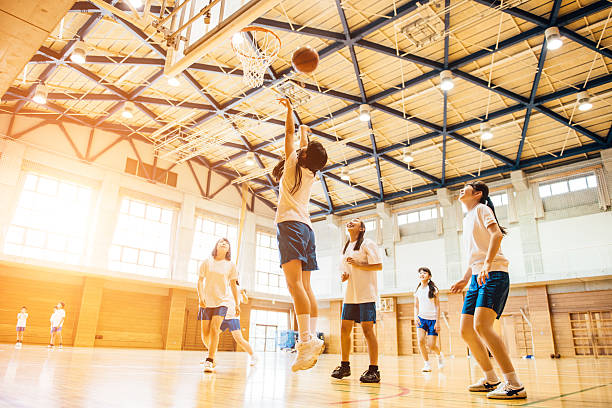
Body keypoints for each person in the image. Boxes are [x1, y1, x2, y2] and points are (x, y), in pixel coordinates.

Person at [451, 181, 526, 399]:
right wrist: (466, 279)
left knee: (482, 326)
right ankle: (491, 379)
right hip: (476, 277)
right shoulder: (467, 218)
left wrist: (486, 264)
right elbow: (475, 254)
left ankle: (514, 384)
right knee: (466, 330)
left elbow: (497, 235)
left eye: (465, 187)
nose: (460, 189)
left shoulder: (483, 209)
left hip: (494, 273)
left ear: (477, 193)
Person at [272, 98, 328, 372]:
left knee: (294, 287)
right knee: (306, 288)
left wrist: (290, 112)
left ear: (303, 155)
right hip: (307, 229)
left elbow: (289, 136)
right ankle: (312, 337)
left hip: (291, 226)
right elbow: (303, 144)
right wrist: (306, 129)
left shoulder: (293, 165)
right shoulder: (311, 173)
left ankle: (305, 341)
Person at [331, 218, 382, 383]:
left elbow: (378, 265)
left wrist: (359, 264)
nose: (350, 222)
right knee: (344, 329)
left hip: (366, 294)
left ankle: (374, 370)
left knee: (367, 331)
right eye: (349, 221)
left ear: (362, 228)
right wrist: (344, 276)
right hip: (350, 295)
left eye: (355, 221)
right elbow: (346, 272)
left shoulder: (368, 243)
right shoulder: (345, 248)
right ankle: (345, 366)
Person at [197, 238, 240, 373]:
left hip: (223, 301)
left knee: (215, 329)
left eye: (226, 243)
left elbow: (233, 285)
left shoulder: (231, 265)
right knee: (205, 334)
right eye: (221, 242)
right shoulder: (206, 262)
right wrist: (201, 297)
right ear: (216, 246)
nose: (223, 243)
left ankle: (209, 360)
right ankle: (213, 355)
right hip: (206, 301)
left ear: (228, 249)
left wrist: (237, 304)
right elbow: (200, 281)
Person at [414, 267, 444, 372]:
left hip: (432, 320)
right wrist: (415, 316)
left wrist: (438, 322)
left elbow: (438, 306)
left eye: (424, 273)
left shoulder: (433, 289)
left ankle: (439, 355)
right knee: (420, 341)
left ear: (429, 276)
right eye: (420, 273)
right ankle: (427, 364)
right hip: (421, 319)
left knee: (431, 345)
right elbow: (416, 306)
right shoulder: (417, 290)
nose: (422, 274)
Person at [220, 284, 258, 366]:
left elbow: (245, 301)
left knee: (239, 340)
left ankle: (254, 356)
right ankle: (210, 358)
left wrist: (243, 294)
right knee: (213, 335)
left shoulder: (237, 289)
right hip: (223, 317)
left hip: (233, 318)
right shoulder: (224, 287)